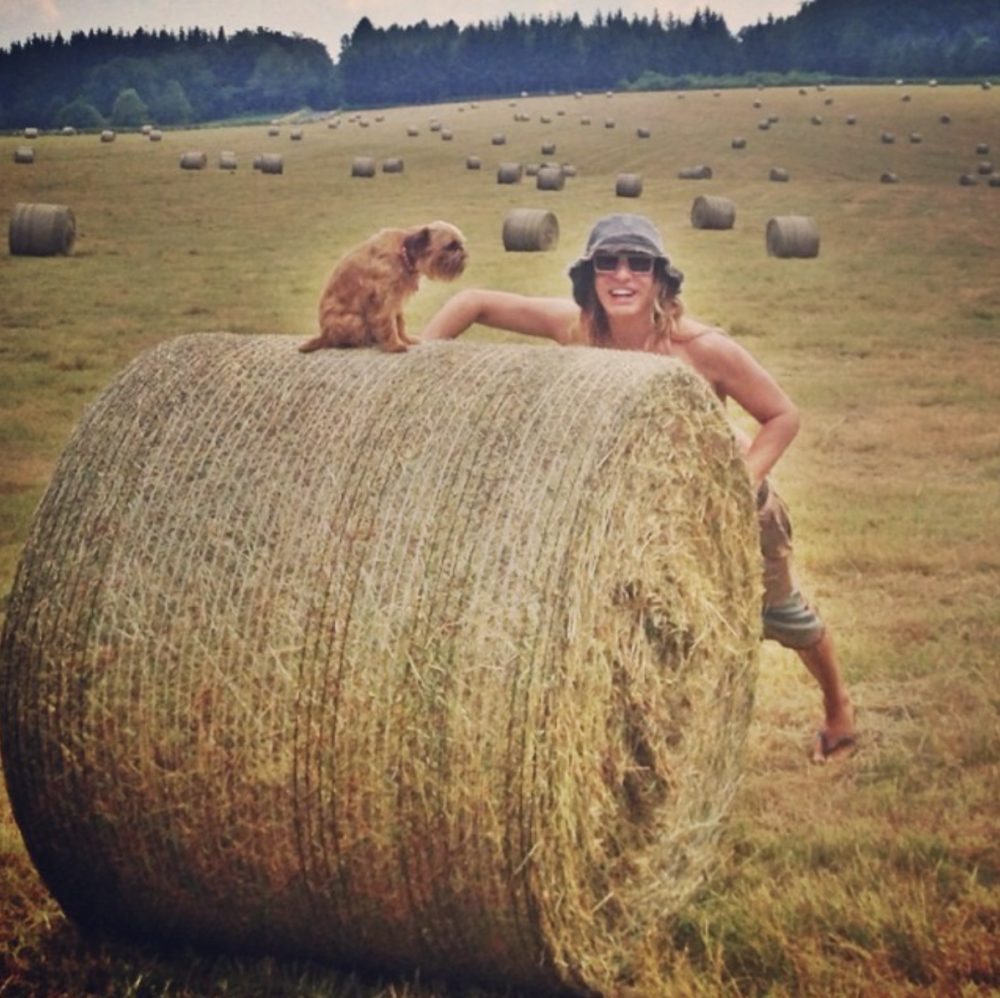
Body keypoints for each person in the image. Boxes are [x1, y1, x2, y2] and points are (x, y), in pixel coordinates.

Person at [421, 213, 856, 763]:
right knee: (634, 626)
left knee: (780, 616)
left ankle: (839, 711)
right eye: (608, 262)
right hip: (640, 515)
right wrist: (413, 366)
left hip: (738, 514)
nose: (621, 275)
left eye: (638, 263)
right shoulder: (577, 329)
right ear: (589, 276)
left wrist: (735, 486)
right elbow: (474, 301)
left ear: (660, 279)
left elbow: (782, 416)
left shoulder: (700, 347)